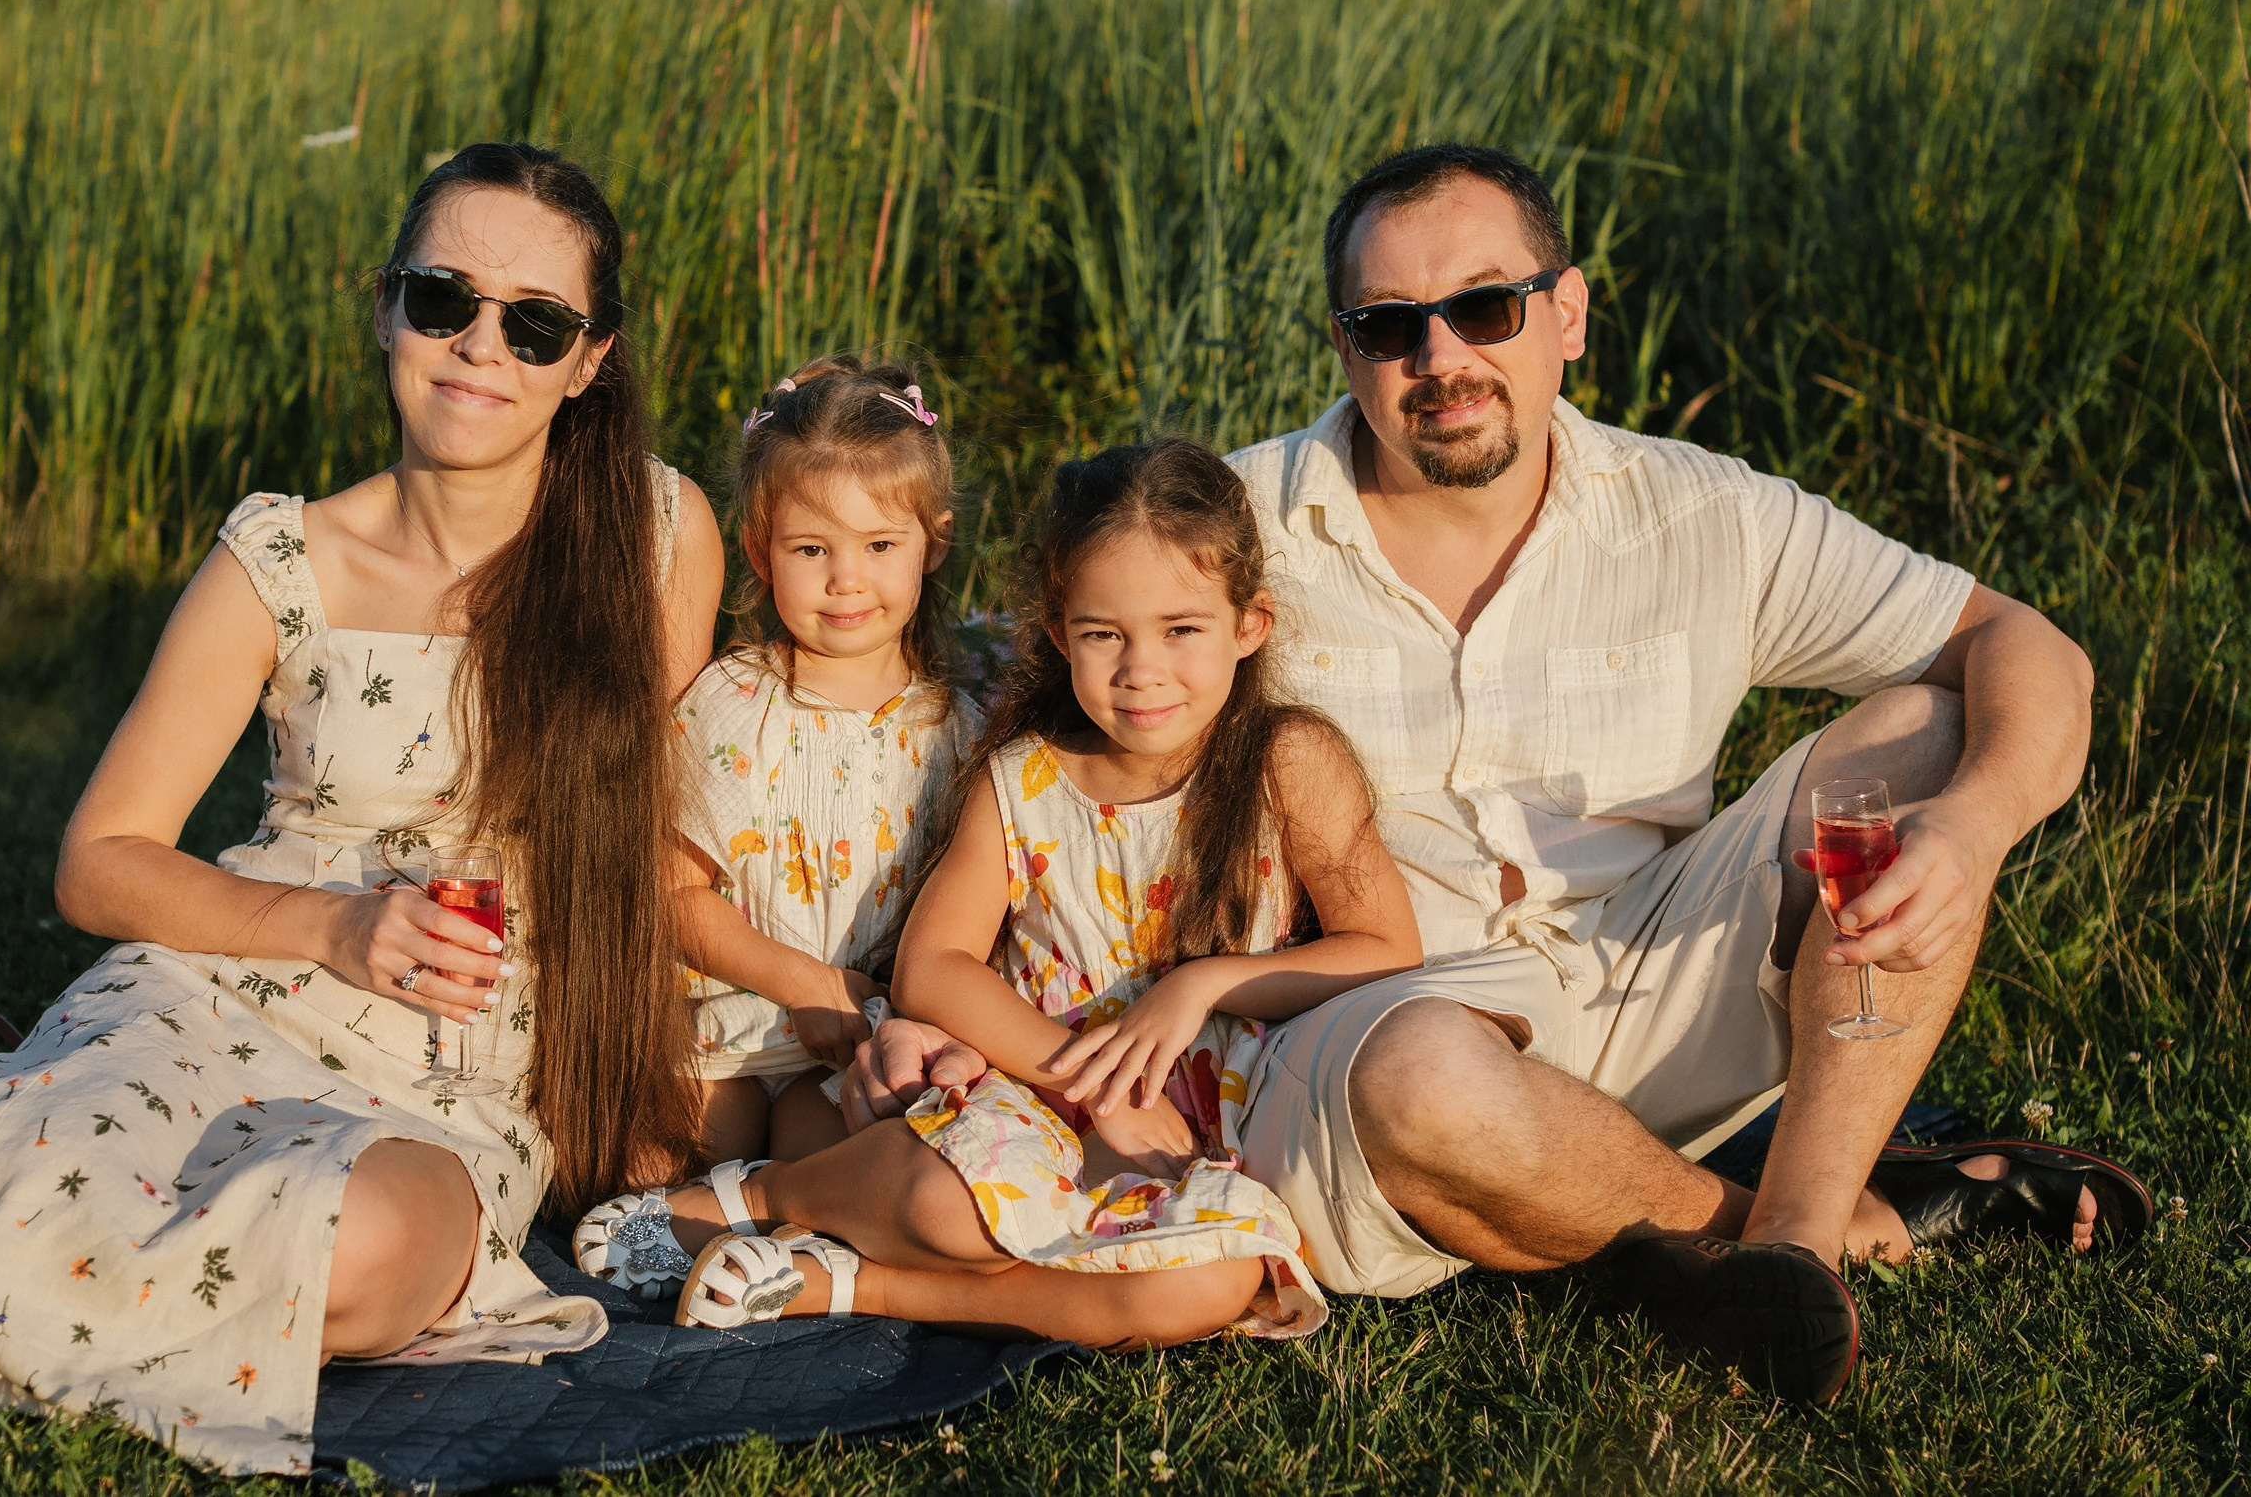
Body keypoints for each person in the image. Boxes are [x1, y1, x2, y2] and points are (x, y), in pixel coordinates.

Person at [842, 143, 2148, 1402]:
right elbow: (986, 686)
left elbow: (2024, 645)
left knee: (1918, 736)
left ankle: (1788, 1241)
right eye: (1392, 322)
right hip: (1380, 1024)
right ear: (1343, 341)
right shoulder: (1238, 534)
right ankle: (1824, 1228)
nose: (1442, 357)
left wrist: (1973, 826)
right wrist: (880, 994)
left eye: (1484, 305)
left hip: (1655, 965)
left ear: (1566, 311)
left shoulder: (1704, 512)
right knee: (1428, 1069)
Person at [0, 143, 726, 1474]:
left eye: (534, 323)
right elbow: (99, 861)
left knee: (366, 1252)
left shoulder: (655, 534)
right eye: (445, 300)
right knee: (62, 1160)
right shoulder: (282, 558)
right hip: (231, 982)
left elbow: (661, 847)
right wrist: (327, 925)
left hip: (457, 1070)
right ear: (388, 306)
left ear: (588, 361)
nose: (482, 346)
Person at [574, 438, 1421, 1346]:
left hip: (1206, 1118)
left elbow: (1385, 944)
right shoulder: (1025, 779)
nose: (1141, 669)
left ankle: (851, 1282)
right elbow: (933, 968)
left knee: (1216, 1281)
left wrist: (1203, 984)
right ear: (1060, 633)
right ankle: (760, 1196)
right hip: (1036, 1080)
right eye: (1104, 634)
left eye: (1182, 629)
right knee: (950, 1206)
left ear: (1250, 623)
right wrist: (1091, 1086)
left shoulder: (1287, 761)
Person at [663, 354, 976, 1169]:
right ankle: (692, 1233)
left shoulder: (958, 732)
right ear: (761, 553)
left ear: (932, 544)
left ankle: (790, 1246)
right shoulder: (738, 701)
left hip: (863, 1044)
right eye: (811, 549)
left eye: (878, 543)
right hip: (726, 1031)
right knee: (673, 1154)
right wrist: (804, 983)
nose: (846, 579)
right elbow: (671, 894)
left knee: (832, 1152)